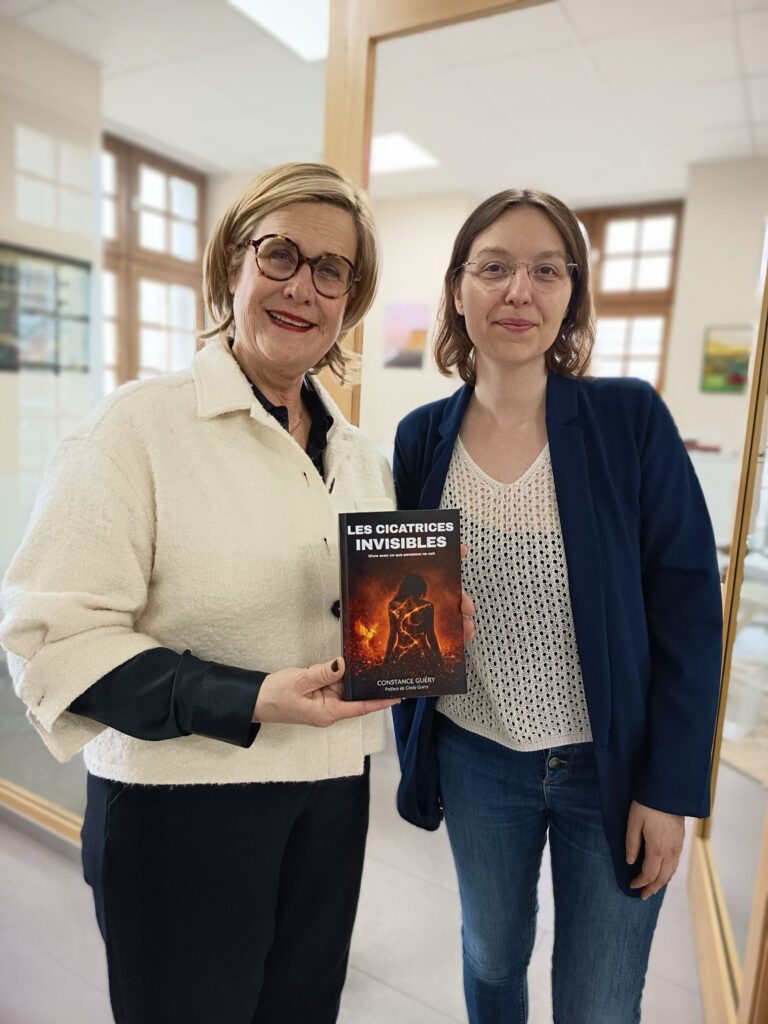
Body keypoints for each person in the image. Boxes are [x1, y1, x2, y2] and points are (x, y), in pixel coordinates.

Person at [0, 163, 402, 1024]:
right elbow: (52, 640)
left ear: (350, 300)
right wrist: (250, 697)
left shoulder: (364, 460)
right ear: (232, 265)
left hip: (333, 799)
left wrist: (417, 632)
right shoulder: (133, 431)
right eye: (282, 254)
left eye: (332, 271)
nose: (303, 286)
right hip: (179, 813)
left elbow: (372, 616)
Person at [391, 188, 722, 1024]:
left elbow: (687, 606)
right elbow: (403, 607)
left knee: (599, 1002)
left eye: (546, 270)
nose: (519, 292)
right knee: (492, 956)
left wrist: (670, 788)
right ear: (458, 289)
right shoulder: (421, 438)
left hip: (610, 770)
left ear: (571, 294)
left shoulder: (627, 420)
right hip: (476, 759)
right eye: (494, 267)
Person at [383, 572, 444, 674]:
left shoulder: (393, 605)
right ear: (421, 588)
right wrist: (438, 658)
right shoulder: (427, 606)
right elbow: (431, 635)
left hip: (400, 656)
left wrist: (387, 658)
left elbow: (393, 634)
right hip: (423, 655)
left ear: (404, 587)